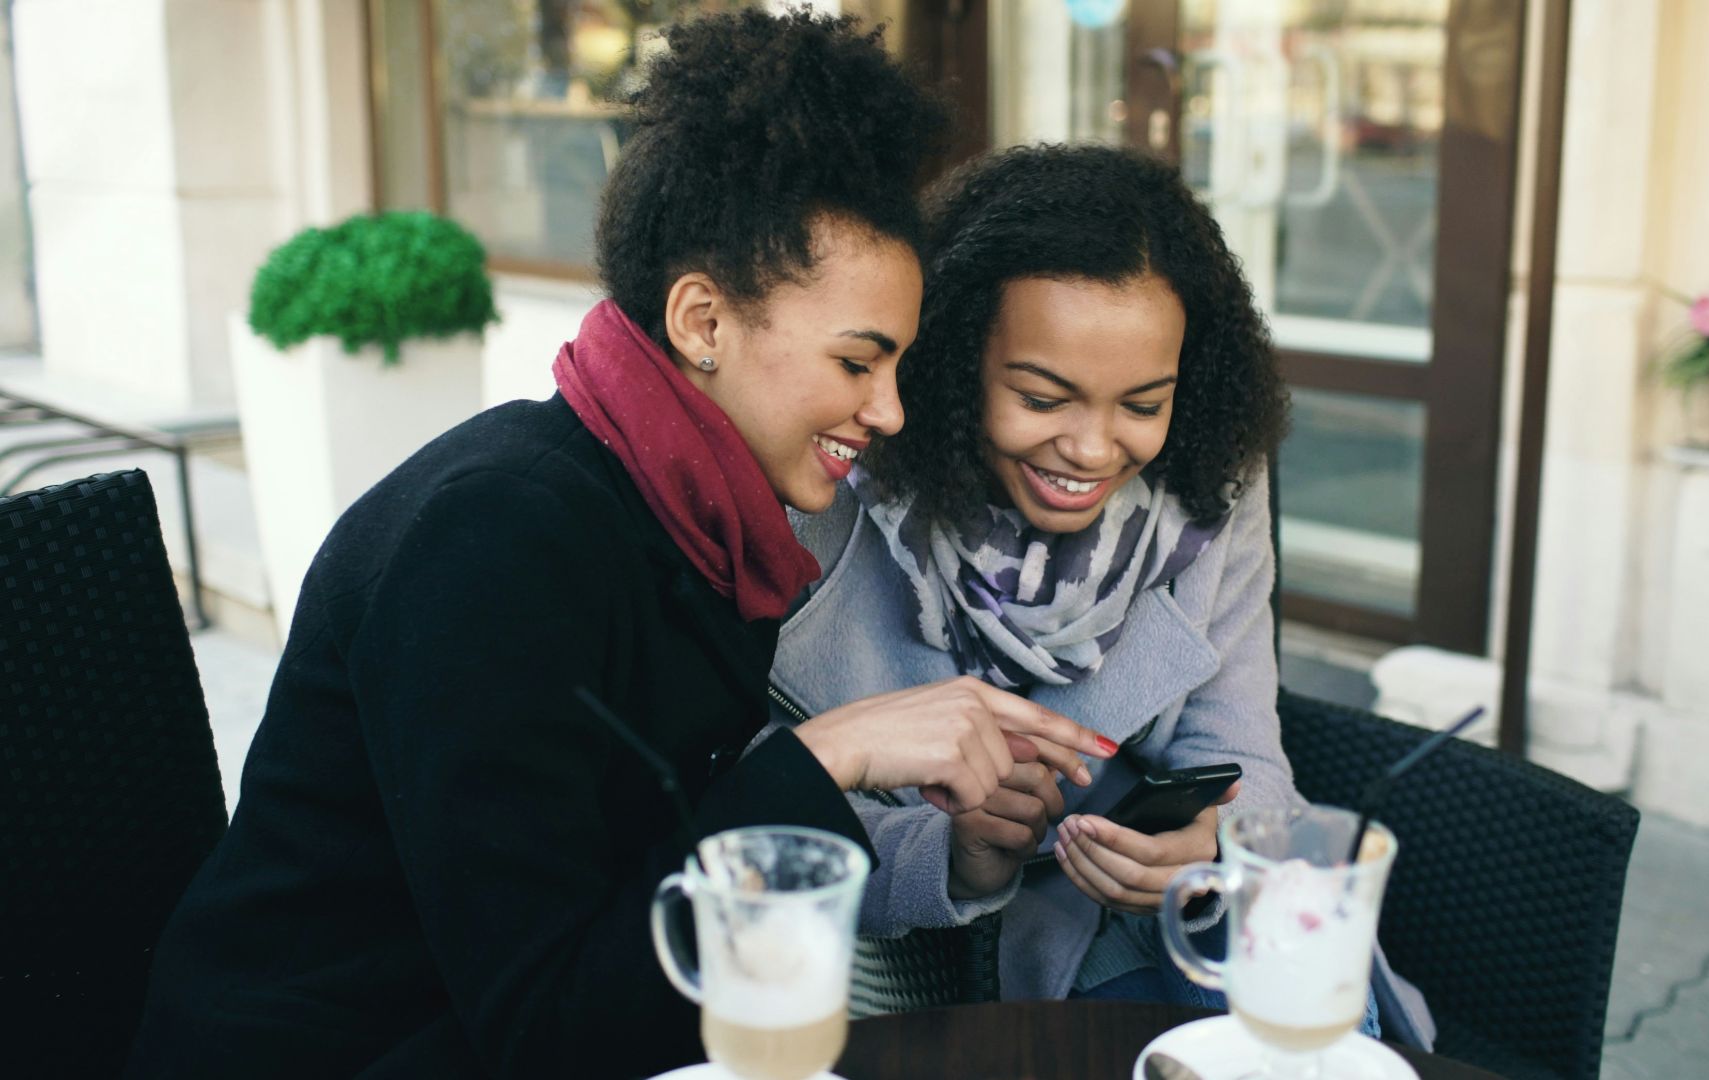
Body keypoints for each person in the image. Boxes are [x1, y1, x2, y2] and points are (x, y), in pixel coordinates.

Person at [126, 14, 1110, 1078]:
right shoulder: (498, 542)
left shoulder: (691, 521)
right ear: (702, 323)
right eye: (858, 362)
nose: (890, 411)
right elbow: (552, 1028)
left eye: (900, 370)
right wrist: (830, 755)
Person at [768, 144, 1435, 1047]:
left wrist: (1216, 844)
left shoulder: (1208, 491)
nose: (1092, 450)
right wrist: (954, 854)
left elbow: (1245, 753)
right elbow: (772, 815)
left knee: (1305, 1008)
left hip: (1175, 927)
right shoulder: (833, 494)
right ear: (956, 363)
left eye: (1143, 404)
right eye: (1044, 397)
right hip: (958, 968)